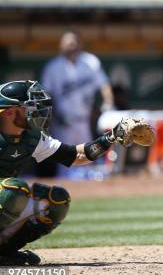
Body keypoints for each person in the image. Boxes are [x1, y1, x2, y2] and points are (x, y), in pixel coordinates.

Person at [0, 80, 119, 265]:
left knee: (55, 201)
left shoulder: (32, 138)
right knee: (13, 191)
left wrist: (113, 136)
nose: (38, 112)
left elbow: (77, 155)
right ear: (9, 112)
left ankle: (4, 252)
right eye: (29, 107)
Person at [42, 30, 114, 147]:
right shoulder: (52, 67)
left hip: (85, 121)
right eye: (68, 44)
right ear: (61, 45)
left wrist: (108, 106)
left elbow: (104, 85)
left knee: (87, 158)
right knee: (65, 161)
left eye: (74, 43)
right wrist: (53, 116)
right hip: (63, 123)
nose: (72, 47)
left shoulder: (90, 61)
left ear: (80, 44)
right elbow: (46, 95)